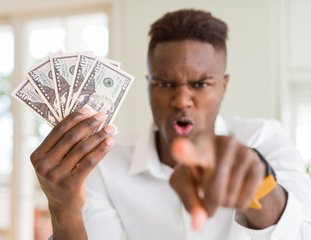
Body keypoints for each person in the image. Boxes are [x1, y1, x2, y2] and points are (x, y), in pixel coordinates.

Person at [30, 9, 311, 240]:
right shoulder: (104, 164)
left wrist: (256, 182)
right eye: (165, 83)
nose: (181, 100)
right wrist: (63, 210)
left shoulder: (265, 137)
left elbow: (301, 232)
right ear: (149, 87)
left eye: (200, 84)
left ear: (223, 86)